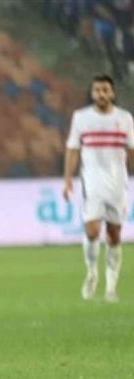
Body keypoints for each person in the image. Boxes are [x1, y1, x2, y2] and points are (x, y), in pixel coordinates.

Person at [63, 74, 134, 302]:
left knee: (114, 234)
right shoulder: (81, 118)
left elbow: (131, 151)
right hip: (92, 183)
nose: (101, 94)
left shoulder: (125, 118)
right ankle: (92, 272)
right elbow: (73, 149)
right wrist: (67, 179)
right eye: (97, 90)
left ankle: (111, 287)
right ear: (92, 93)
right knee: (92, 231)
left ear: (112, 93)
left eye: (105, 90)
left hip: (118, 184)